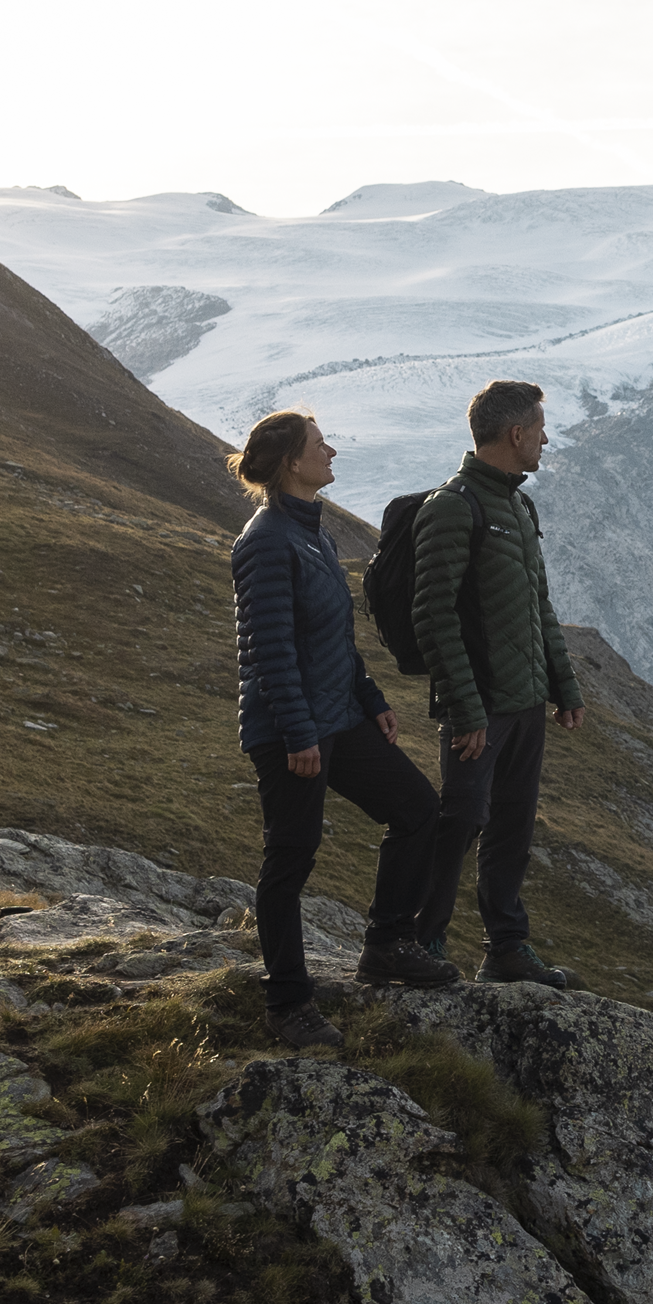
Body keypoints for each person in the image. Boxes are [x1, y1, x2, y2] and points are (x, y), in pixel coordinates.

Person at [229, 408, 446, 1046]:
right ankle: (289, 1004)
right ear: (292, 463)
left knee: (417, 809)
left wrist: (371, 697)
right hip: (292, 729)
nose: (332, 454)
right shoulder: (265, 540)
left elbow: (333, 639)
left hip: (338, 716)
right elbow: (268, 650)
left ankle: (385, 945)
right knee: (290, 860)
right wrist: (299, 734)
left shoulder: (312, 533)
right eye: (321, 446)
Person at [408, 377, 587, 989]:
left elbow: (538, 606)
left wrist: (564, 687)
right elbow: (431, 614)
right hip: (480, 707)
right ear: (516, 434)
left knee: (512, 826)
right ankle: (419, 940)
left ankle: (506, 949)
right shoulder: (455, 506)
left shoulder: (517, 504)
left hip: (526, 702)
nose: (544, 439)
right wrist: (466, 708)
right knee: (460, 821)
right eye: (539, 428)